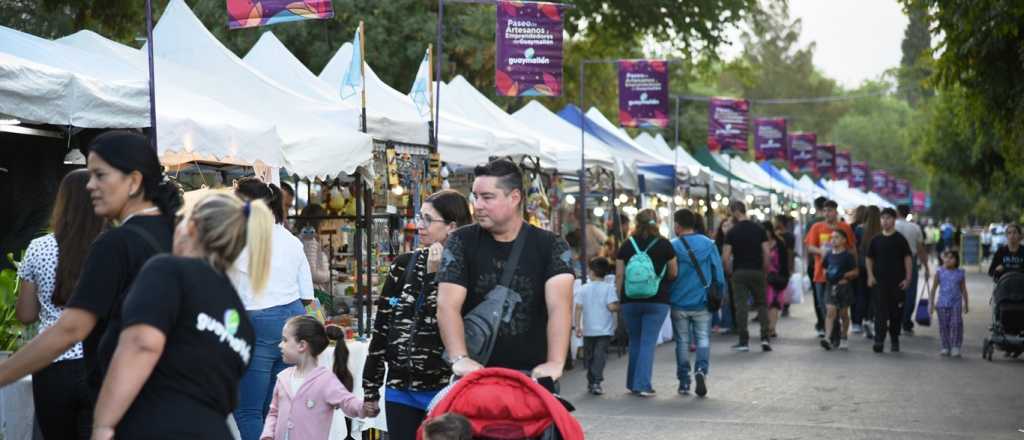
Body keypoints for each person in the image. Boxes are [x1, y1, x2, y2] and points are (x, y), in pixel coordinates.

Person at [0, 131, 181, 400]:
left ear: (133, 181)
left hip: (132, 394)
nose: (90, 185)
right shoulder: (179, 235)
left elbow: (71, 329)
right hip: (169, 389)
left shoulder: (114, 244)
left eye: (100, 175)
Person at [90, 192, 272, 439]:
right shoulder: (242, 323)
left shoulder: (169, 271)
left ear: (192, 227)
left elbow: (142, 343)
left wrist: (103, 424)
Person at [436, 160, 575, 381]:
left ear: (515, 198)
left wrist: (555, 362)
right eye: (475, 196)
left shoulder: (551, 245)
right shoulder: (460, 240)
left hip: (532, 378)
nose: (477, 205)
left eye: (487, 197)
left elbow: (560, 306)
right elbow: (446, 304)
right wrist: (459, 357)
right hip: (473, 376)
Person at [364, 190, 472, 439]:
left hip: (445, 388)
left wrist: (436, 276)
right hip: (399, 388)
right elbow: (382, 327)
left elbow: (448, 320)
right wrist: (370, 388)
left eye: (427, 220)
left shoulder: (467, 267)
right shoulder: (403, 264)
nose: (418, 226)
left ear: (451, 226)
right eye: (419, 217)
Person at [14, 169, 106, 439]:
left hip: (52, 363)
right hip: (100, 362)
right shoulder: (112, 245)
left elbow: (26, 314)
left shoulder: (39, 247)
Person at [233, 177, 315, 440]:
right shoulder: (290, 240)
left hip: (259, 321)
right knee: (276, 409)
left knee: (248, 411)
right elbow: (307, 295)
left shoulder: (240, 239)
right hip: (294, 320)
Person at [261, 316, 367, 440]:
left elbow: (348, 402)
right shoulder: (282, 378)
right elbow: (274, 412)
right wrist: (267, 434)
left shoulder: (326, 381)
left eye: (285, 340)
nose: (280, 345)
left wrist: (364, 408)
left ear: (302, 345)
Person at [613, 208, 677, 396]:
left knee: (635, 341)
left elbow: (619, 274)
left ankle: (633, 383)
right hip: (657, 300)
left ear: (636, 223)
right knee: (648, 342)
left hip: (630, 300)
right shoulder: (665, 244)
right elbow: (673, 272)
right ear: (656, 222)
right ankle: (643, 384)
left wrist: (621, 296)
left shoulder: (626, 244)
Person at [668, 209, 725, 397]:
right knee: (703, 339)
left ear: (677, 225)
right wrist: (720, 294)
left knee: (682, 342)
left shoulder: (673, 246)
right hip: (702, 301)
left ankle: (684, 381)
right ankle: (701, 370)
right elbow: (718, 273)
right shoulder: (709, 244)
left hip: (678, 301)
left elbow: (669, 273)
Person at [721, 201, 771, 352]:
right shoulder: (759, 229)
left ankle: (744, 341)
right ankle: (764, 338)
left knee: (741, 306)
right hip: (757, 270)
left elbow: (725, 257)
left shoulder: (732, 232)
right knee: (762, 304)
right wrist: (764, 269)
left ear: (735, 212)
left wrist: (729, 271)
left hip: (739, 272)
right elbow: (767, 252)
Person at [804, 200, 857, 340]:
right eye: (825, 210)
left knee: (841, 309)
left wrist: (853, 269)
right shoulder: (816, 227)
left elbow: (852, 248)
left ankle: (837, 334)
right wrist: (822, 252)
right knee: (824, 306)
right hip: (821, 274)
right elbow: (809, 247)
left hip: (841, 276)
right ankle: (833, 334)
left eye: (830, 210)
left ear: (836, 211)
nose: (827, 213)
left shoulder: (845, 227)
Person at [866, 208, 913, 353]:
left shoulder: (900, 239)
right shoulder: (876, 239)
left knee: (895, 313)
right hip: (879, 283)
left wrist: (908, 278)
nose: (885, 221)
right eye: (882, 218)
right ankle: (879, 340)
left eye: (888, 218)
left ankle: (894, 339)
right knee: (880, 312)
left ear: (894, 220)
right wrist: (870, 275)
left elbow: (908, 258)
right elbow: (869, 258)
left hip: (897, 283)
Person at [573, 257, 619, 396]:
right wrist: (619, 307)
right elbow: (611, 307)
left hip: (588, 329)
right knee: (600, 356)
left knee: (590, 356)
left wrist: (577, 326)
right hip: (604, 329)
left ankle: (591, 381)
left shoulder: (583, 288)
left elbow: (578, 308)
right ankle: (596, 382)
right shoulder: (609, 288)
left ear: (591, 272)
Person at [820, 230, 858, 351]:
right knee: (830, 311)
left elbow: (856, 272)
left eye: (836, 237)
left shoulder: (848, 256)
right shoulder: (829, 254)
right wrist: (826, 275)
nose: (833, 240)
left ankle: (844, 337)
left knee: (843, 314)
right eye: (832, 238)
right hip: (831, 287)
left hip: (844, 288)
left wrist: (845, 276)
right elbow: (824, 268)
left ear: (843, 240)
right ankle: (827, 338)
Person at [895, 205, 929, 336]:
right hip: (911, 260)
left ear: (897, 212)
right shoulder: (915, 228)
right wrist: (926, 267)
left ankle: (895, 320)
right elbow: (921, 249)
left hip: (895, 261)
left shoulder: (893, 225)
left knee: (894, 289)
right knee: (910, 291)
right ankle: (906, 321)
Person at [929, 251, 969, 357]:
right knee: (944, 326)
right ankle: (945, 346)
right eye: (946, 257)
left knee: (956, 324)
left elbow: (963, 289)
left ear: (956, 260)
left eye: (951, 258)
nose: (948, 259)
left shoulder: (960, 273)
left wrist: (966, 304)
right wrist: (931, 304)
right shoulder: (939, 272)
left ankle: (956, 346)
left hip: (956, 304)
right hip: (942, 304)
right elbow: (933, 289)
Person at [855, 207, 883, 339]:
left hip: (861, 266)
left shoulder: (859, 229)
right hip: (877, 267)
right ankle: (870, 319)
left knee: (862, 294)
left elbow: (855, 249)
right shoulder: (881, 231)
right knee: (874, 295)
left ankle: (860, 321)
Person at [295, 204, 332, 294]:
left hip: (308, 293)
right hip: (311, 294)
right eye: (322, 223)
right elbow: (311, 273)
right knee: (317, 309)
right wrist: (330, 275)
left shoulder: (305, 238)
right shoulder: (309, 241)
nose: (323, 226)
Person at [763, 222, 790, 339]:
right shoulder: (760, 243)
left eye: (766, 231)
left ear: (770, 231)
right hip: (763, 277)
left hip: (776, 277)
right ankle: (768, 326)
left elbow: (785, 261)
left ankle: (772, 328)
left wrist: (785, 275)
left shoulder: (779, 243)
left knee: (774, 303)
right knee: (766, 304)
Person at [712, 216, 735, 334]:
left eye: (728, 226)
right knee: (722, 297)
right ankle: (718, 322)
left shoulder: (734, 239)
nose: (726, 228)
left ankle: (727, 322)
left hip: (731, 272)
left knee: (727, 298)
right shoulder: (717, 242)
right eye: (724, 226)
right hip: (720, 273)